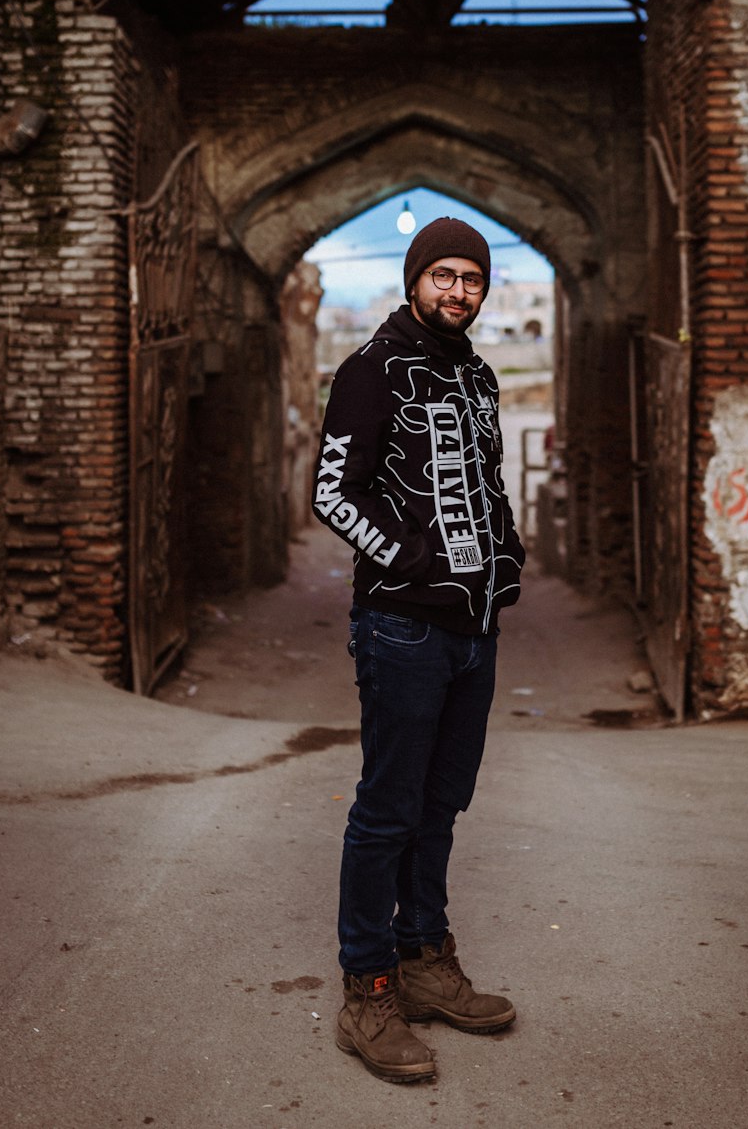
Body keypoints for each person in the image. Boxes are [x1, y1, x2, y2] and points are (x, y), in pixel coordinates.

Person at [312, 216, 526, 1084]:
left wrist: (505, 555)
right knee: (388, 808)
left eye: (471, 279)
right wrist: (415, 561)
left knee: (442, 802)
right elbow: (334, 491)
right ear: (414, 281)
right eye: (443, 275)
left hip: (475, 631)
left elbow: (488, 481)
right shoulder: (370, 369)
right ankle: (368, 989)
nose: (458, 291)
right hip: (401, 625)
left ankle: (424, 960)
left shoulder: (477, 376)